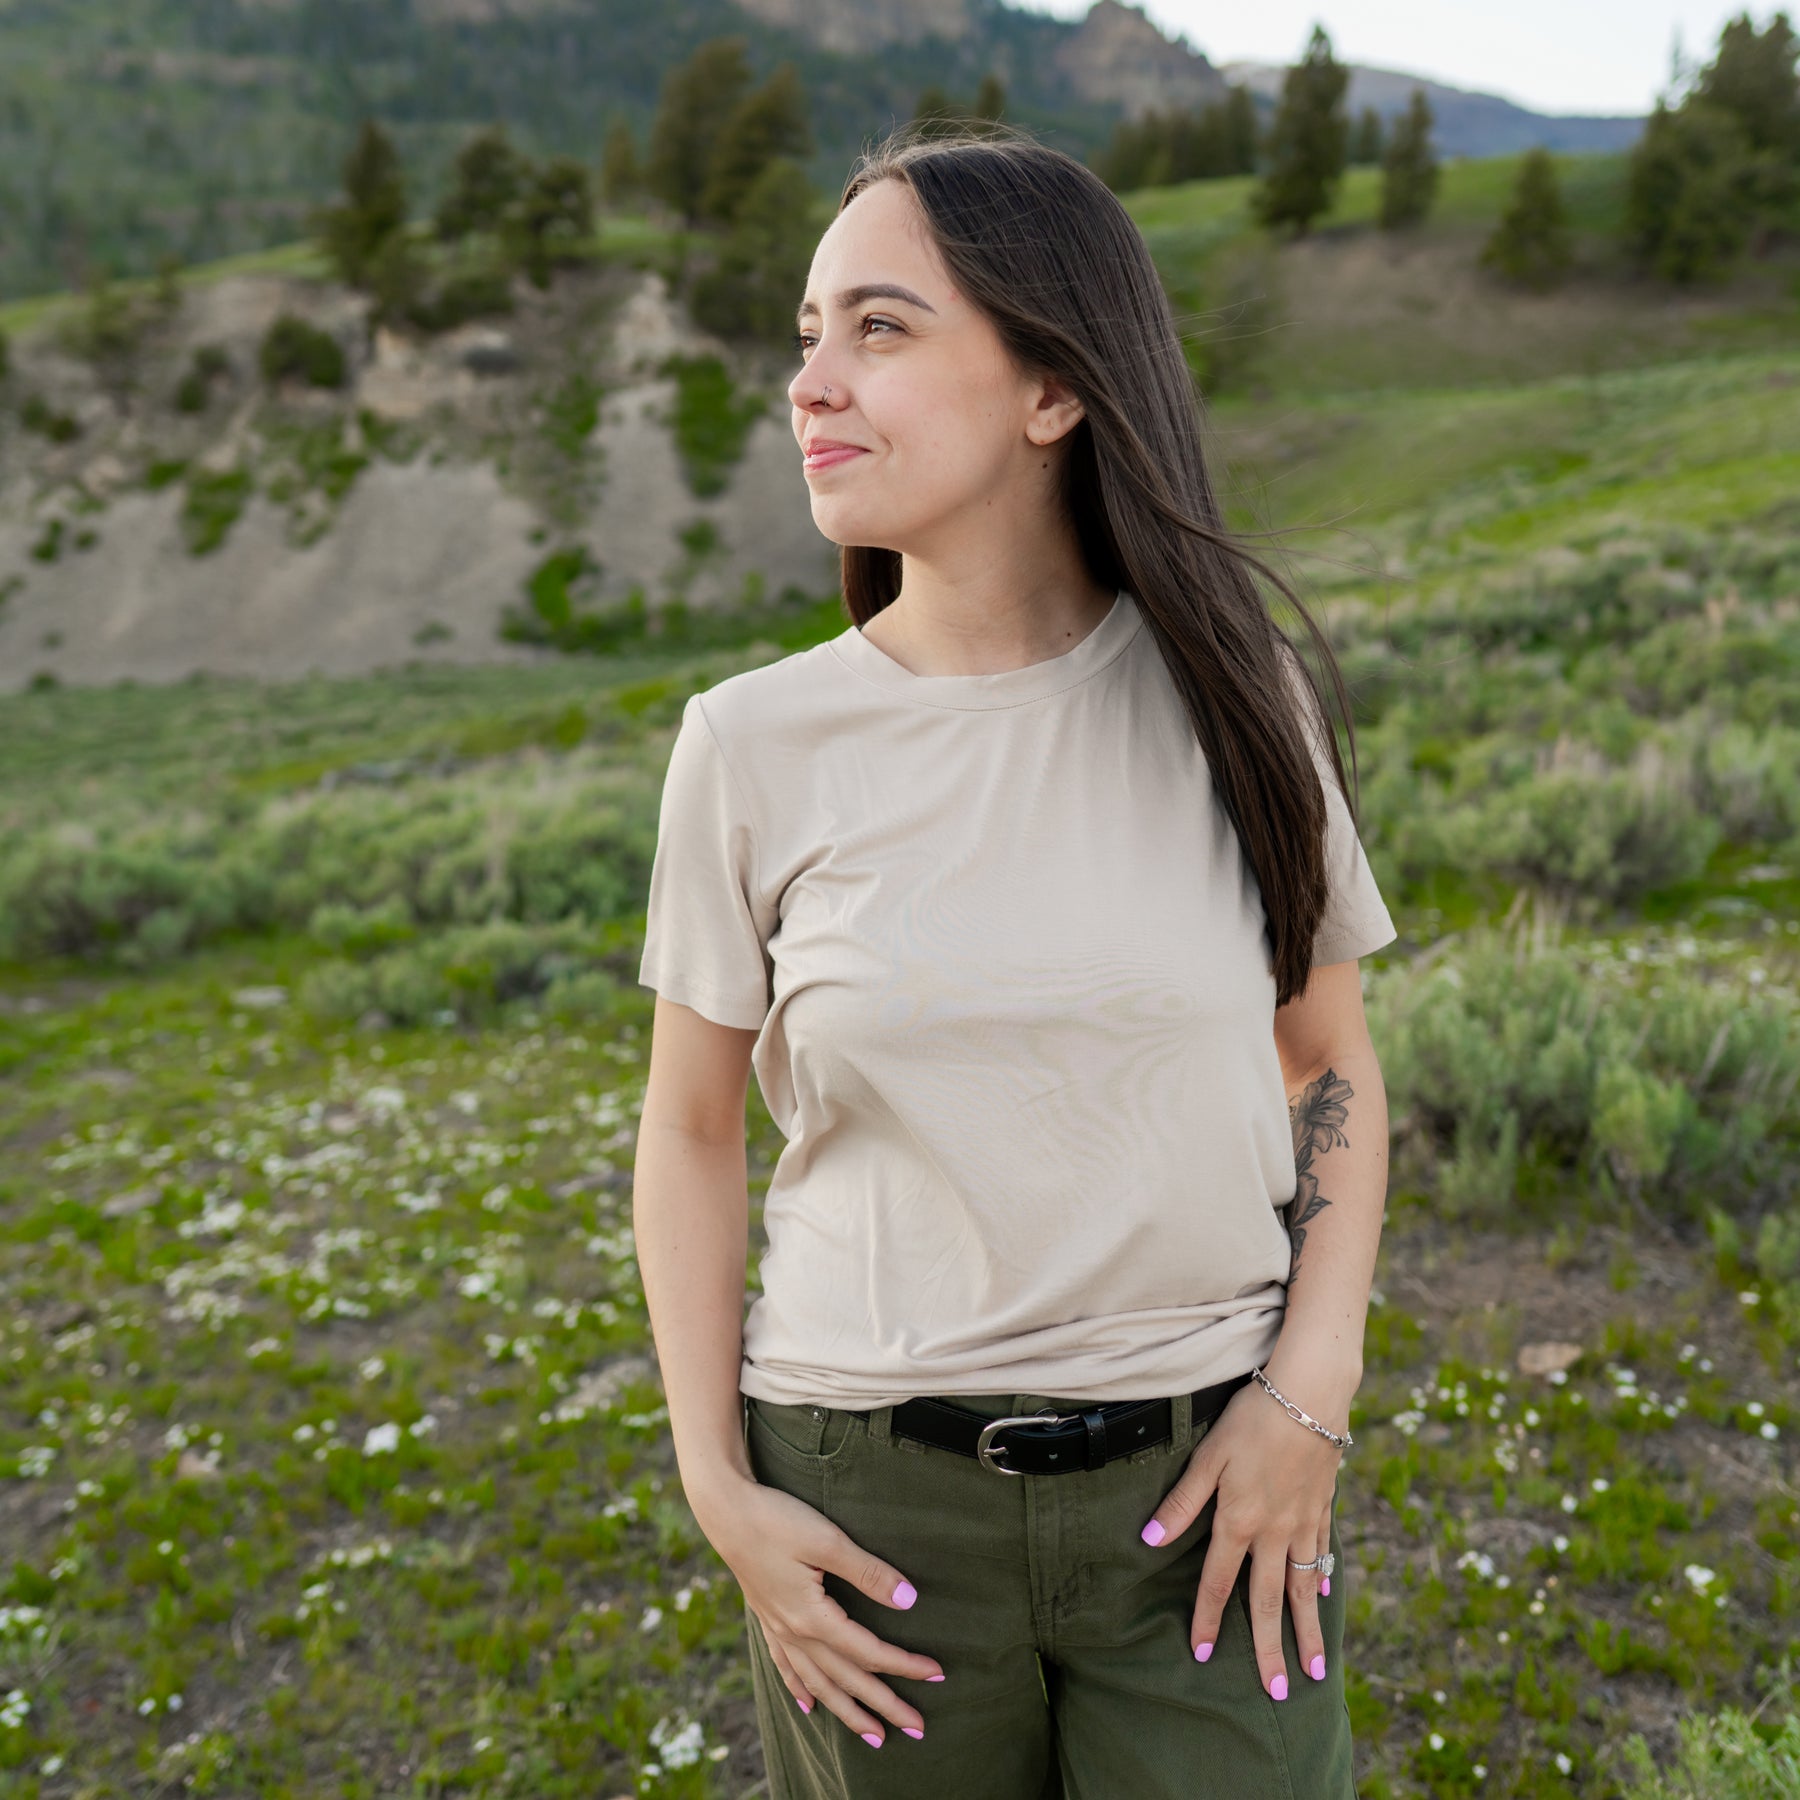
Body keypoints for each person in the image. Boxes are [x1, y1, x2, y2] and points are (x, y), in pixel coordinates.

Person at [632, 120, 1395, 1799]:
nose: (813, 383)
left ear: (1055, 388)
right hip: (867, 1516)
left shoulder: (1234, 701)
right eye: (808, 336)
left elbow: (1328, 1061)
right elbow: (689, 1129)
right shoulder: (752, 744)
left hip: (1206, 1489)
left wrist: (1308, 1393)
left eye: (880, 328)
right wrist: (718, 1485)